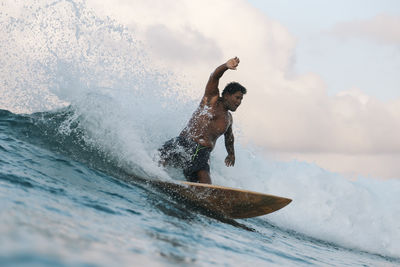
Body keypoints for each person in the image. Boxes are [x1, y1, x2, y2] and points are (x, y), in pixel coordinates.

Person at [159, 57, 246, 184]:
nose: (239, 102)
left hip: (202, 153)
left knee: (205, 185)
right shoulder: (211, 100)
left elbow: (229, 138)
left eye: (241, 99)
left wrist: (231, 154)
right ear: (226, 95)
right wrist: (226, 66)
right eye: (237, 98)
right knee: (158, 162)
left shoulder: (228, 118)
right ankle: (152, 177)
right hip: (184, 143)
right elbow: (214, 77)